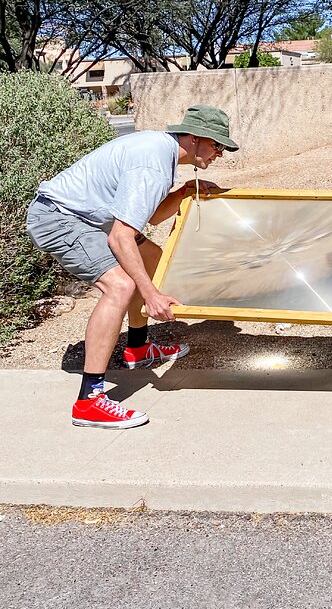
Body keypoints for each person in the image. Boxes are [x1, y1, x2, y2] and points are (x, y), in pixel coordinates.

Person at [26, 104, 238, 428]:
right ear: (195, 138)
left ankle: (137, 349)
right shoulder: (152, 163)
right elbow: (121, 236)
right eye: (217, 145)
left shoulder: (161, 153)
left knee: (151, 258)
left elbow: (148, 218)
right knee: (121, 285)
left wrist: (183, 192)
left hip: (91, 220)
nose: (220, 154)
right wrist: (150, 294)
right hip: (59, 218)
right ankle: (90, 401)